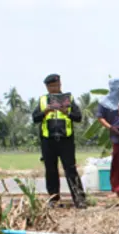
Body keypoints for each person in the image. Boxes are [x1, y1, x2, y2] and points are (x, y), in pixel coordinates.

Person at [32, 73, 86, 208]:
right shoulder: (42, 100)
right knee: (50, 170)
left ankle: (79, 199)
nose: (53, 89)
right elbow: (35, 118)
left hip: (65, 140)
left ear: (60, 85)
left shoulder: (69, 99)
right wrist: (45, 111)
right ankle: (53, 199)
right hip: (48, 140)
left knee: (70, 169)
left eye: (55, 86)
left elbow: (78, 117)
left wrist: (66, 111)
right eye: (50, 86)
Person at [96, 78, 119, 197]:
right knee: (117, 161)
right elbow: (100, 117)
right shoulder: (104, 102)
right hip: (116, 135)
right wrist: (111, 127)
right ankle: (117, 187)